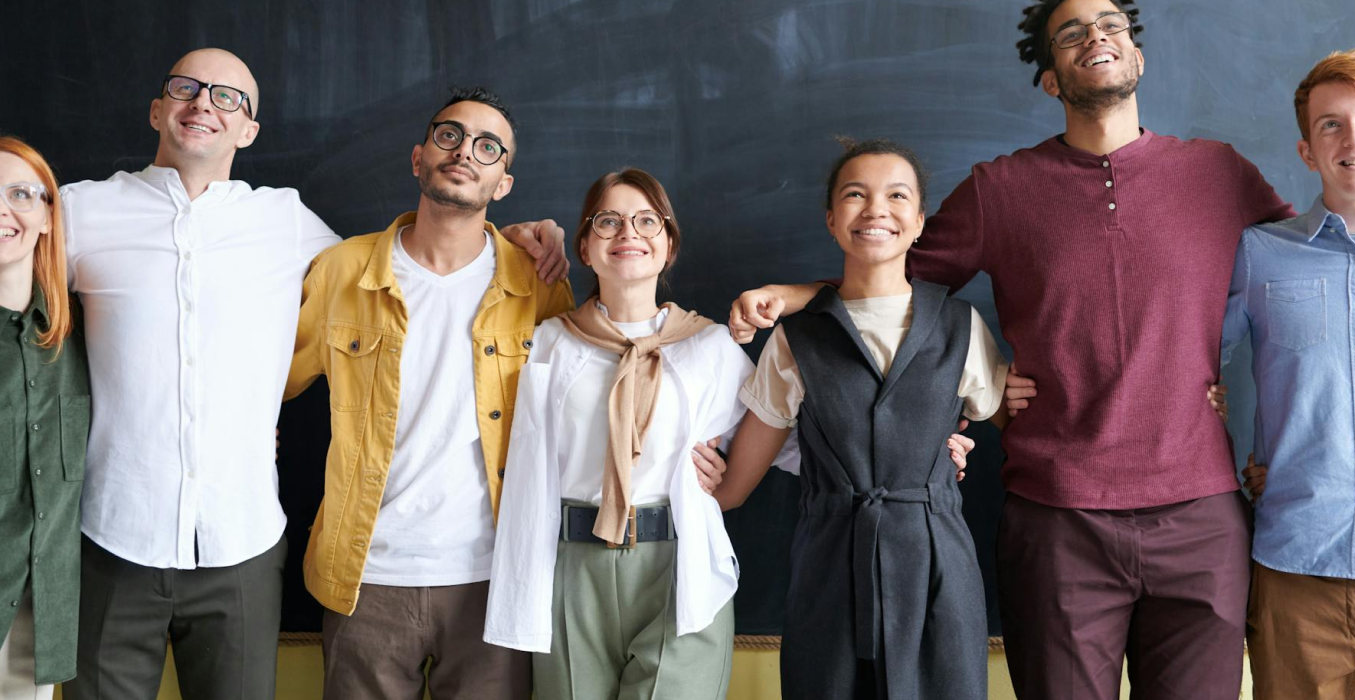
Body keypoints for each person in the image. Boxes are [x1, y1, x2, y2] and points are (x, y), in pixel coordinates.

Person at [725, 2, 1355, 698]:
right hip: (1057, 516)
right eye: (1070, 33)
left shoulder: (1219, 173)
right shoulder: (998, 190)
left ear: (1137, 54)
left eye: (1110, 25)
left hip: (1202, 517)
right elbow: (889, 278)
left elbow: (1330, 249)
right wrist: (797, 295)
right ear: (1051, 78)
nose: (1094, 36)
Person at [57, 49, 341, 700]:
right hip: (110, 537)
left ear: (249, 131)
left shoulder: (288, 223)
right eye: (186, 88)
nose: (203, 103)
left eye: (228, 97)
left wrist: (515, 243)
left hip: (241, 543)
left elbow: (396, 272)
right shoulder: (80, 211)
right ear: (158, 109)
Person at [286, 87, 574, 700]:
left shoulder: (537, 284)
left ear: (503, 183)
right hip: (364, 577)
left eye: (487, 147)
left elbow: (582, 409)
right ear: (418, 157)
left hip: (496, 579)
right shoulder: (341, 272)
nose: (465, 151)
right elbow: (268, 384)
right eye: (450, 135)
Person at [706, 139, 1007, 700]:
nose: (875, 210)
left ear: (919, 222)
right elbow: (733, 487)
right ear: (830, 219)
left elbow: (1014, 419)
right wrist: (684, 471)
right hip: (830, 566)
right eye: (855, 195)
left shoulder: (961, 327)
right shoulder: (796, 337)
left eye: (896, 196)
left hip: (938, 565)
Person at [484, 167, 783, 699]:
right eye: (608, 221)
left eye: (648, 221)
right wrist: (517, 234)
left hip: (679, 561)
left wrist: (730, 481)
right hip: (572, 568)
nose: (629, 233)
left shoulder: (710, 347)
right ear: (583, 245)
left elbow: (786, 425)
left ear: (668, 246)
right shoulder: (547, 344)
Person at [1220, 49, 1355, 698]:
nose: (1354, 138)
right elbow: (1179, 361)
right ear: (1306, 150)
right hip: (1296, 575)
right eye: (1331, 124)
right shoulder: (1257, 255)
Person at [0, 136, 88, 700]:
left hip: (41, 612)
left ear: (48, 216)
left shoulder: (79, 333)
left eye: (20, 194)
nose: (3, 210)